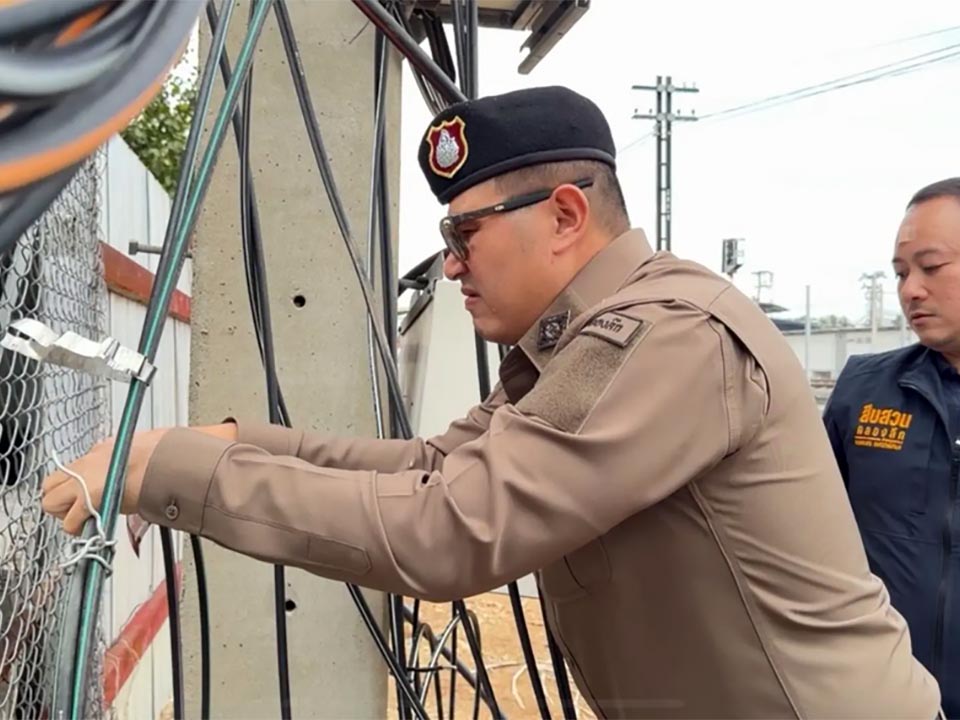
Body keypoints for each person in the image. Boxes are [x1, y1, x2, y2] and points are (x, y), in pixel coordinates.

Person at [41, 86, 939, 718]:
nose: (452, 265)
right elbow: (434, 466)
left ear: (564, 216)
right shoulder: (580, 343)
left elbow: (451, 528)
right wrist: (238, 440)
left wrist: (170, 471)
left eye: (465, 233)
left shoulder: (669, 336)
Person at [823, 177, 960, 718]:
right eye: (901, 273)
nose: (910, 290)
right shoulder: (864, 390)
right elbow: (808, 537)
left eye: (931, 267)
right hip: (881, 699)